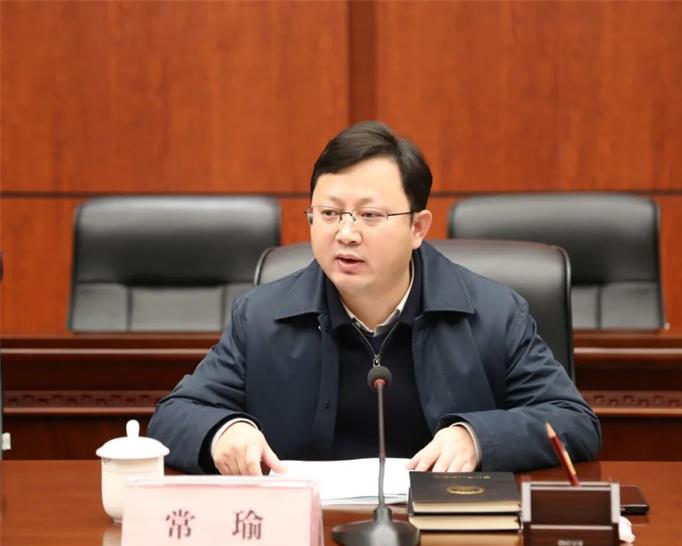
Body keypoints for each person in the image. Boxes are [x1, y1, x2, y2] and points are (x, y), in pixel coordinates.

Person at [148, 121, 600, 475]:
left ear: (417, 228)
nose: (346, 233)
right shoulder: (262, 316)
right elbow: (174, 415)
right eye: (329, 213)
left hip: (444, 536)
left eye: (370, 215)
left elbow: (573, 420)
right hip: (310, 534)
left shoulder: (493, 313)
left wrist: (477, 436)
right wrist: (224, 431)